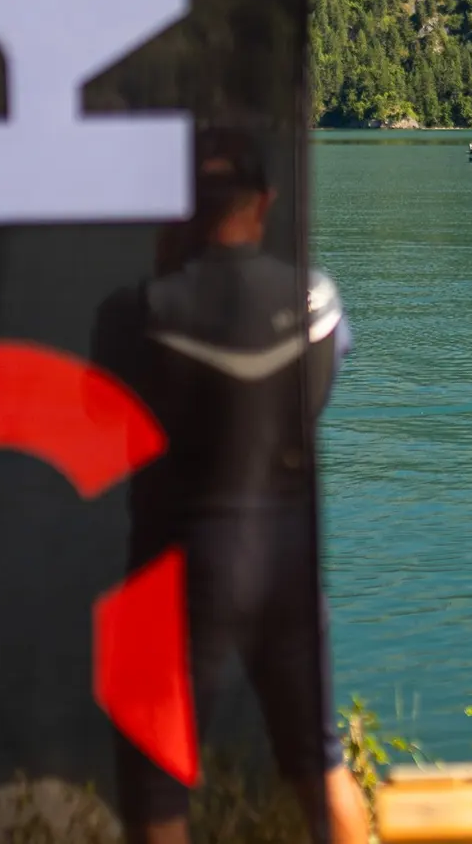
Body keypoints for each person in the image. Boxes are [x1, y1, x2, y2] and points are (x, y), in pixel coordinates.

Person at [94, 131, 368, 844]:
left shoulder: (137, 311)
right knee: (320, 765)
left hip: (178, 563)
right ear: (265, 203)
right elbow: (321, 382)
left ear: (179, 212)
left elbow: (110, 422)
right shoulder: (317, 302)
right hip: (284, 557)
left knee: (159, 790)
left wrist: (166, 271)